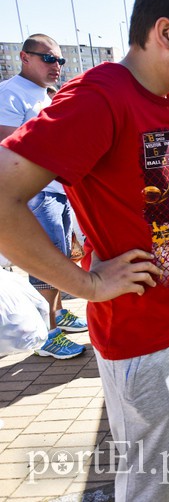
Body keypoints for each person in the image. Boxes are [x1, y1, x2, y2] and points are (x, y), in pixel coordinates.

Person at [0, 0, 169, 500]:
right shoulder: (100, 96)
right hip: (141, 335)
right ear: (165, 33)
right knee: (151, 484)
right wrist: (88, 286)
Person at [0, 33, 87, 360]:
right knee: (47, 262)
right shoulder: (11, 94)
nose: (57, 65)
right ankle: (47, 335)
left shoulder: (46, 95)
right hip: (36, 193)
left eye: (60, 60)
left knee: (61, 257)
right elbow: (9, 145)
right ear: (24, 57)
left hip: (56, 189)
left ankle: (58, 314)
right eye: (48, 58)